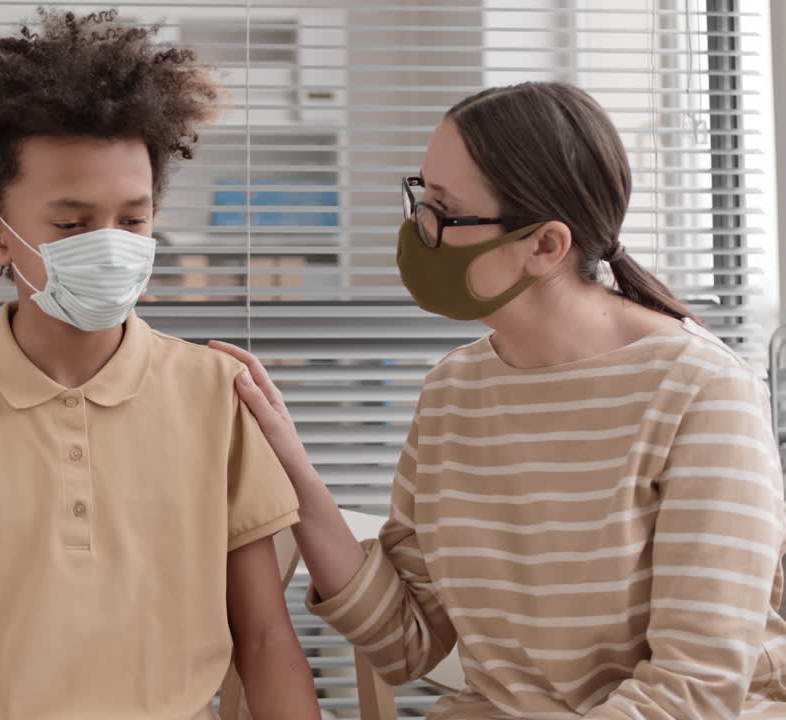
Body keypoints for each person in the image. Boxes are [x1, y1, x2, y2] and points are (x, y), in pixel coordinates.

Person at [214, 81, 786, 719]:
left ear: (544, 246)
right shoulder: (454, 392)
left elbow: (693, 689)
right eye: (420, 195)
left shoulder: (702, 392)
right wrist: (290, 465)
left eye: (443, 209)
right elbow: (407, 640)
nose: (417, 228)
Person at [0, 9, 319, 720]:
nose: (112, 244)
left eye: (134, 219)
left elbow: (268, 641)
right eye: (72, 223)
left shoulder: (216, 396)